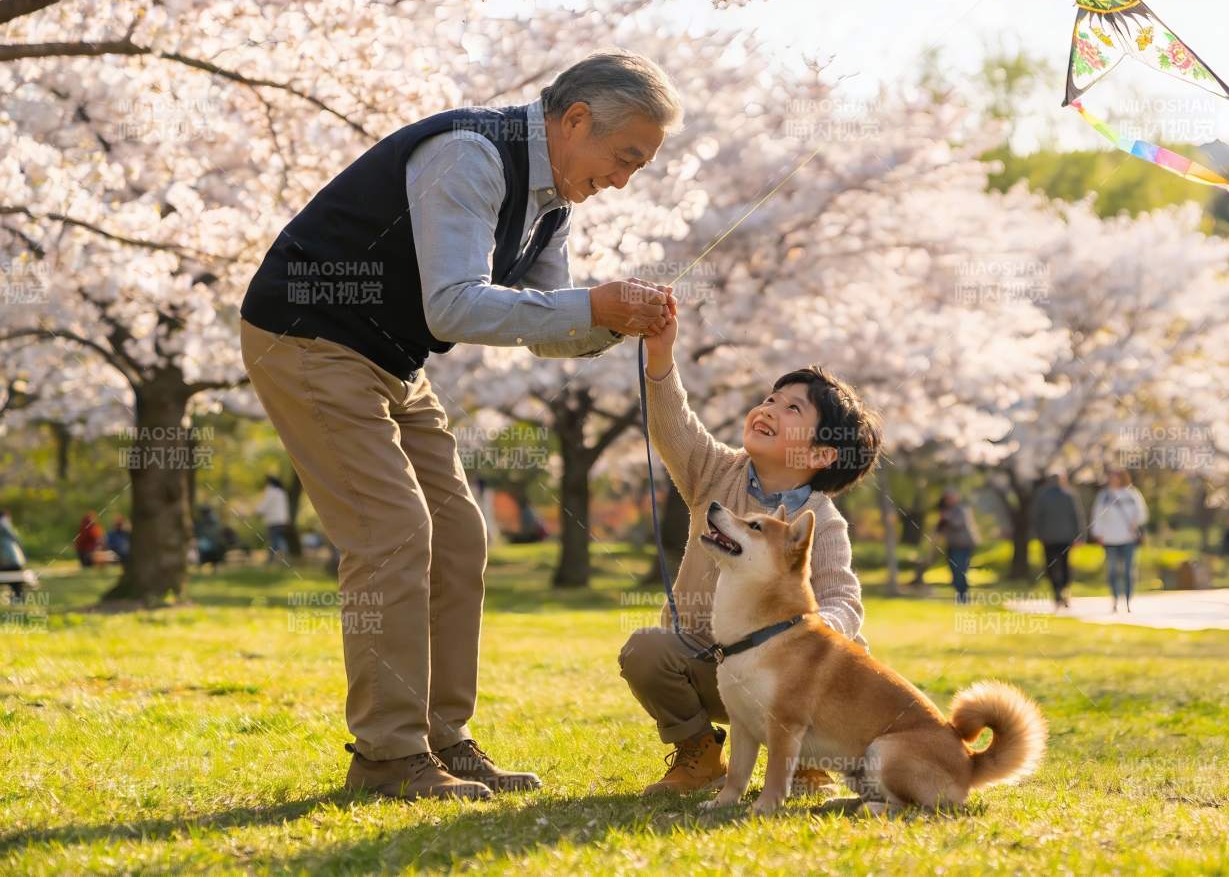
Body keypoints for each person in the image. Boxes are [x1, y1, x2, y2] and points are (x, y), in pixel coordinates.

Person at [240, 53, 683, 800]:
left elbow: (545, 328)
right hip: (309, 334)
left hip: (394, 357)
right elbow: (455, 305)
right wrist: (594, 306)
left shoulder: (552, 202)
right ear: (575, 120)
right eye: (624, 157)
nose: (622, 180)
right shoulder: (469, 155)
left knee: (459, 531)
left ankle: (440, 740)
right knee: (392, 531)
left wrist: (616, 320)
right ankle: (386, 757)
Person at [619, 302, 880, 796]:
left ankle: (806, 758)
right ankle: (699, 754)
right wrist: (660, 355)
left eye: (792, 408)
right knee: (646, 651)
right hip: (704, 659)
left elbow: (844, 600)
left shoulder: (821, 524)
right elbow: (673, 426)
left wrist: (809, 633)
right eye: (771, 398)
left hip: (781, 674)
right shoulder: (715, 473)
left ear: (821, 454)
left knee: (848, 652)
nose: (769, 409)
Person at [1090, 467, 1147, 612]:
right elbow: (1097, 516)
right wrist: (1098, 533)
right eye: (1112, 476)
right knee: (1113, 571)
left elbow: (1142, 513)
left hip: (1128, 538)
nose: (1114, 479)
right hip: (1110, 539)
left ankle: (1128, 600)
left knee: (1128, 571)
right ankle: (1115, 599)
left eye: (1116, 476)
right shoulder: (1104, 496)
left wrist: (1136, 522)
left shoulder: (1132, 494)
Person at [1030, 473, 1082, 608]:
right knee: (1065, 564)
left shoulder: (1042, 496)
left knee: (1051, 565)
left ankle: (1057, 590)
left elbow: (1036, 518)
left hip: (1048, 538)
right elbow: (1077, 517)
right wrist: (1079, 536)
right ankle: (1064, 589)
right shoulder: (1070, 495)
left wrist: (1038, 534)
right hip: (1066, 537)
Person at [936, 490, 979, 604]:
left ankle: (963, 596)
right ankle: (960, 595)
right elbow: (940, 528)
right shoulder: (947, 510)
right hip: (952, 545)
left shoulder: (961, 509)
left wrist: (946, 517)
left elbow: (958, 523)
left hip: (963, 545)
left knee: (960, 569)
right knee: (954, 570)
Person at [256, 477, 292, 562]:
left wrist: (257, 511)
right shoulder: (282, 492)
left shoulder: (271, 492)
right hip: (281, 520)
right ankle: (283, 556)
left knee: (275, 539)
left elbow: (266, 504)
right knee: (279, 538)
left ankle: (272, 558)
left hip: (274, 520)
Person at [0, 508, 28, 600]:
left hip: (8, 559)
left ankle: (17, 598)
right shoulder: (4, 523)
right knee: (16, 582)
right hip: (11, 559)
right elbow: (16, 539)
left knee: (15, 582)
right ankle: (17, 598)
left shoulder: (3, 524)